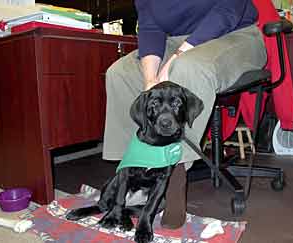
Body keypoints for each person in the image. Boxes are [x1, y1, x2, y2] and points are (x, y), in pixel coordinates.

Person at [102, 0, 267, 229]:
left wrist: (178, 55)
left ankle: (174, 180)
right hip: (177, 41)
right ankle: (133, 176)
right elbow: (151, 27)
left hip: (234, 33)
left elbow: (229, 8)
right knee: (120, 73)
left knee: (188, 67)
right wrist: (150, 82)